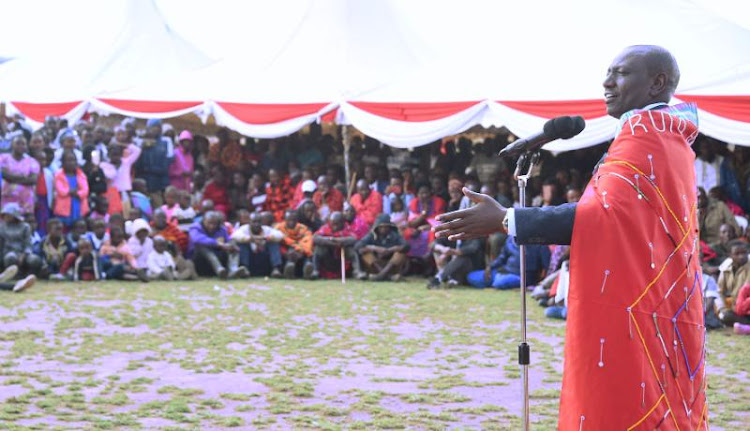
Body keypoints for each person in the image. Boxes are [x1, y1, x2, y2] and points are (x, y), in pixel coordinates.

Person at [435, 46, 706, 429]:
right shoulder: (664, 136)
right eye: (608, 72)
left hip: (639, 306)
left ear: (656, 83)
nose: (607, 82)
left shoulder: (650, 141)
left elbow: (601, 217)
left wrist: (507, 219)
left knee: (627, 402)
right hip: (653, 298)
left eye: (621, 73)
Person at [188, 211, 246, 279]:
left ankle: (233, 270)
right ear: (203, 221)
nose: (212, 226)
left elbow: (227, 240)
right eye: (209, 223)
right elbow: (197, 239)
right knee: (202, 247)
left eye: (214, 224)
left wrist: (231, 246)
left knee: (233, 244)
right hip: (199, 258)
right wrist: (218, 244)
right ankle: (219, 270)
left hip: (218, 254)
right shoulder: (195, 227)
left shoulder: (221, 229)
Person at [355, 213, 409, 281]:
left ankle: (381, 276)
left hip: (391, 266)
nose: (383, 229)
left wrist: (390, 250)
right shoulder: (372, 235)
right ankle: (388, 277)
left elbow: (406, 246)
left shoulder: (394, 235)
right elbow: (357, 246)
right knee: (365, 253)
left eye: (386, 226)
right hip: (376, 265)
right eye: (381, 227)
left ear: (389, 227)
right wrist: (375, 248)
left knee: (400, 253)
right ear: (377, 227)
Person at [231, 212, 284, 277]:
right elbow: (235, 235)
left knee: (274, 243)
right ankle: (244, 269)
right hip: (250, 259)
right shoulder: (244, 228)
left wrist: (265, 238)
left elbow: (280, 235)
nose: (256, 224)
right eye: (254, 222)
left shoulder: (266, 229)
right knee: (242, 244)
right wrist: (250, 239)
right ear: (249, 222)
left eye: (259, 222)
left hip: (263, 259)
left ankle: (276, 269)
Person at [312, 211, 362, 280]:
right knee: (318, 248)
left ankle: (357, 271)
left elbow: (354, 238)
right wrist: (329, 241)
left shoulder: (347, 228)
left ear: (342, 223)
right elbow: (315, 237)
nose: (334, 227)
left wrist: (341, 241)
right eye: (333, 224)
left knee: (351, 250)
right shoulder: (326, 228)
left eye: (337, 224)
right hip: (328, 259)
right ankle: (315, 271)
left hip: (342, 260)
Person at [0, 135, 39, 214]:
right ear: (12, 145)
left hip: (25, 200)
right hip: (6, 198)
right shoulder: (3, 158)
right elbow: (3, 174)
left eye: (23, 144)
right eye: (18, 143)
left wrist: (11, 178)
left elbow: (32, 180)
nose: (21, 146)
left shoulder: (32, 161)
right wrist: (22, 177)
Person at [0, 203, 42, 276]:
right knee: (10, 257)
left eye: (8, 215)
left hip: (24, 253)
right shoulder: (2, 227)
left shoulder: (25, 227)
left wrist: (23, 255)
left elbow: (28, 244)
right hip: (8, 252)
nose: (5, 217)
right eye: (4, 215)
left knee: (35, 259)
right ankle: (12, 275)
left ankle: (30, 274)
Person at [716, 240, 750, 325]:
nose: (741, 256)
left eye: (744, 253)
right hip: (735, 308)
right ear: (730, 255)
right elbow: (719, 292)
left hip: (747, 307)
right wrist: (722, 309)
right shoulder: (725, 268)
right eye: (737, 254)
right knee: (725, 316)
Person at [53, 150, 90, 228]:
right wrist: (70, 191)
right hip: (63, 209)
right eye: (68, 160)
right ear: (63, 162)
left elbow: (85, 191)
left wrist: (77, 193)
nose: (71, 163)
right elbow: (61, 191)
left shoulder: (81, 175)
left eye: (73, 160)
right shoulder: (58, 175)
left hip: (78, 206)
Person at [274, 210, 313, 278]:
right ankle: (288, 270)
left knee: (307, 255)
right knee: (286, 254)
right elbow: (276, 242)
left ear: (297, 220)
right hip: (286, 253)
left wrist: (301, 251)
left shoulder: (303, 228)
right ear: (285, 220)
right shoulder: (278, 228)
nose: (291, 222)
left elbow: (307, 241)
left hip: (300, 252)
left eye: (294, 220)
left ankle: (307, 269)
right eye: (289, 220)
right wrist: (285, 253)